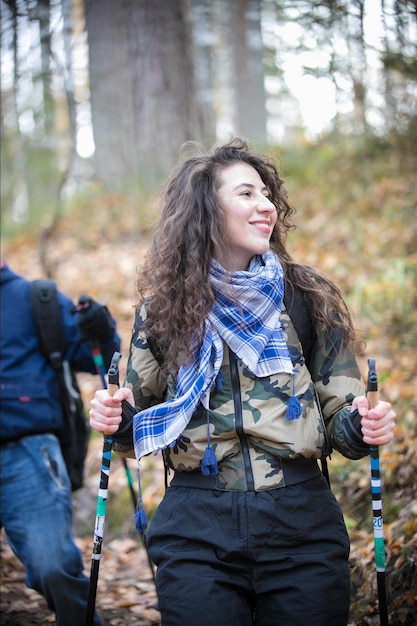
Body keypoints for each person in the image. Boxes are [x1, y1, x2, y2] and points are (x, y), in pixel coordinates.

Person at [89, 138, 396, 626]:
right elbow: (135, 430)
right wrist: (115, 417)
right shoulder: (164, 309)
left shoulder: (307, 298)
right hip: (195, 526)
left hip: (301, 524)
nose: (266, 206)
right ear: (206, 211)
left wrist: (363, 426)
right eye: (247, 194)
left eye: (267, 194)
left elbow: (343, 421)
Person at [0, 260, 121, 626]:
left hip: (27, 453)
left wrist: (102, 328)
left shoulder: (36, 299)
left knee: (53, 565)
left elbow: (98, 356)